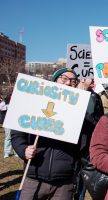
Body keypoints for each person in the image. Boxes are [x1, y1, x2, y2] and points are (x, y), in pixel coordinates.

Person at [11, 68, 83, 200]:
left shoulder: (80, 110)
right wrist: (23, 149)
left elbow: (85, 143)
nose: (68, 83)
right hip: (34, 176)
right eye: (64, 78)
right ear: (54, 80)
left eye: (73, 81)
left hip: (64, 181)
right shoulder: (34, 103)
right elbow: (17, 134)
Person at [74, 78, 104, 200]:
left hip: (88, 143)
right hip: (72, 144)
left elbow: (100, 119)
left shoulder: (95, 97)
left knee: (84, 175)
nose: (94, 83)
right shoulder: (71, 94)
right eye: (91, 79)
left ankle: (80, 195)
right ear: (81, 79)